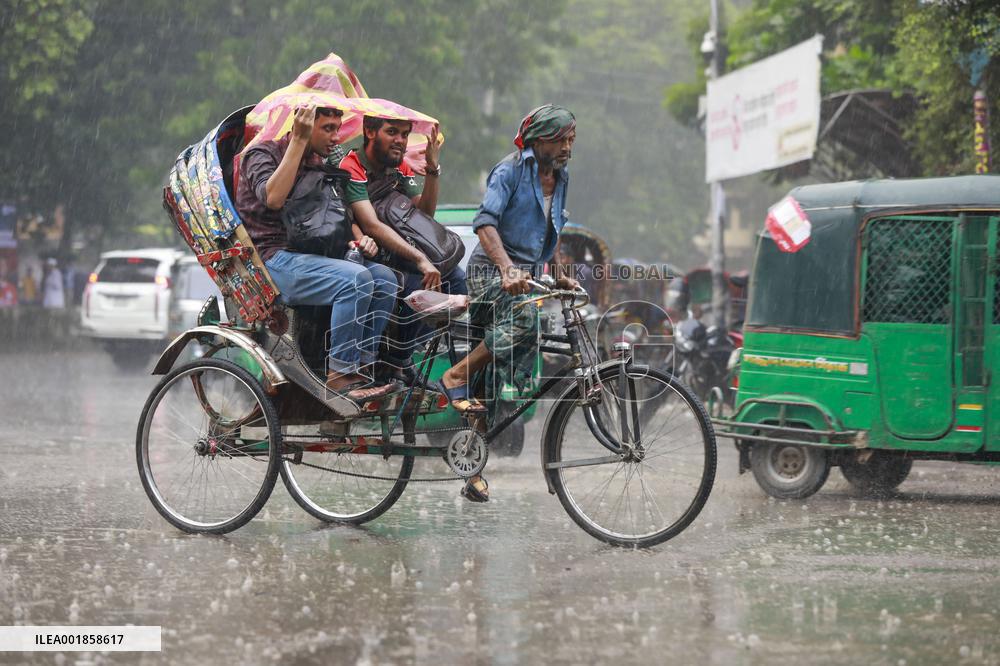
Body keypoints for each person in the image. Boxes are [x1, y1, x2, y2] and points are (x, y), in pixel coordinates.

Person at [441, 104, 579, 502]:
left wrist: (558, 271)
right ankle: (453, 375)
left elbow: (550, 233)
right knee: (526, 325)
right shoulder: (510, 170)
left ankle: (472, 471)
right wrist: (506, 269)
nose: (568, 147)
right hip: (490, 275)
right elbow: (484, 223)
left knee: (489, 386)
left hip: (526, 279)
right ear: (540, 141)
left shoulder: (562, 177)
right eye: (561, 139)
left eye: (572, 140)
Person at [236, 105, 398, 402]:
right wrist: (298, 141)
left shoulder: (319, 163)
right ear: (304, 126)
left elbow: (327, 219)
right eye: (327, 129)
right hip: (271, 260)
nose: (336, 137)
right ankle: (340, 375)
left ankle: (362, 368)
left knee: (385, 278)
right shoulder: (262, 154)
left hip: (311, 259)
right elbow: (273, 199)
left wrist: (355, 241)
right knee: (355, 280)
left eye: (338, 128)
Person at [337, 116, 467, 383]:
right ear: (370, 132)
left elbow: (425, 214)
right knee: (420, 287)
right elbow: (371, 225)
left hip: (398, 254)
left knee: (457, 282)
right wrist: (421, 259)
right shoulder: (352, 166)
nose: (400, 140)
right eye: (392, 132)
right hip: (366, 254)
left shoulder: (400, 168)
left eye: (405, 134)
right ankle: (393, 363)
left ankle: (402, 356)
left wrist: (432, 169)